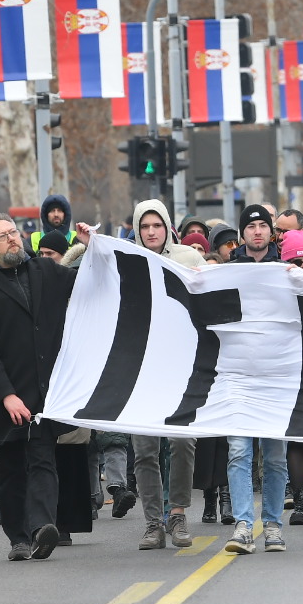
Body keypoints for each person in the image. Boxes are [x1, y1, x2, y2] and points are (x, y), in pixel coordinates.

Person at [0, 212, 81, 561]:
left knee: (43, 459)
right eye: (2, 236)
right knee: (13, 468)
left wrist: (90, 248)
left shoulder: (46, 272)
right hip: (9, 397)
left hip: (47, 392)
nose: (12, 239)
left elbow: (86, 281)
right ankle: (18, 536)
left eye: (14, 232)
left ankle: (42, 528)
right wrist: (7, 396)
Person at [114, 200, 204, 550]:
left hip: (182, 370)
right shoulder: (123, 259)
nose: (151, 232)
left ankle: (177, 512)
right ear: (137, 229)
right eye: (145, 226)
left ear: (167, 227)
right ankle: (153, 522)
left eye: (157, 225)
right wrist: (88, 247)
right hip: (141, 371)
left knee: (183, 442)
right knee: (145, 450)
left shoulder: (189, 259)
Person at [222, 205, 291, 555]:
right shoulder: (227, 271)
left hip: (276, 376)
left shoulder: (287, 269)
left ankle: (274, 524)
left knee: (275, 455)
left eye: (264, 226)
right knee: (238, 451)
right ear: (242, 234)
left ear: (272, 232)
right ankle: (244, 524)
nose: (258, 232)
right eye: (251, 227)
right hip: (238, 375)